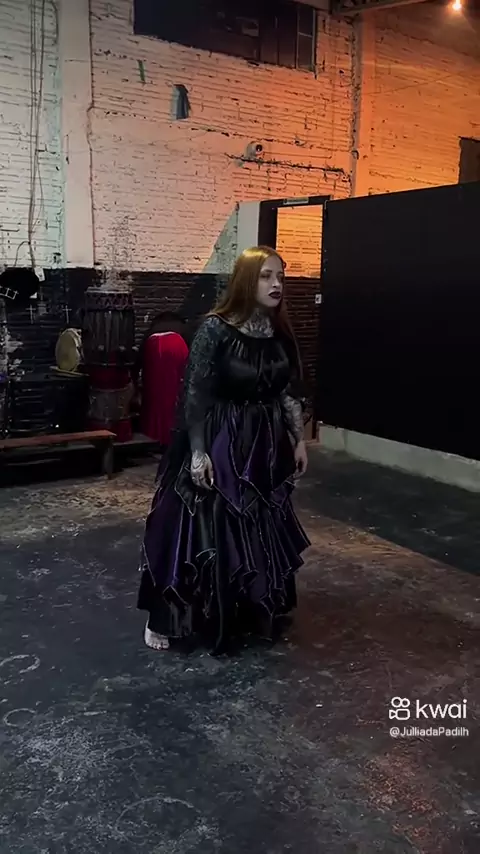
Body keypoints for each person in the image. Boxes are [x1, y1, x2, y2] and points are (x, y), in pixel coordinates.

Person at [137, 246, 310, 654]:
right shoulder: (215, 329)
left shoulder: (277, 331)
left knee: (258, 523)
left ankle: (247, 605)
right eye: (266, 276)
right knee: (200, 522)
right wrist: (198, 451)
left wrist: (298, 438)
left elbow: (286, 391)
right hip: (223, 437)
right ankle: (167, 616)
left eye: (280, 276)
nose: (277, 284)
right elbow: (195, 393)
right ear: (247, 281)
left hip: (265, 442)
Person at [134, 312, 190, 447]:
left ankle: (153, 435)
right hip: (177, 344)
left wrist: (135, 380)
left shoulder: (152, 328)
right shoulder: (183, 327)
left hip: (152, 346)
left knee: (153, 394)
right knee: (174, 393)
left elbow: (139, 359)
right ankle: (172, 436)